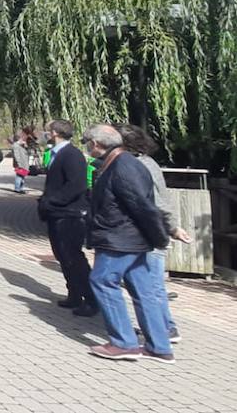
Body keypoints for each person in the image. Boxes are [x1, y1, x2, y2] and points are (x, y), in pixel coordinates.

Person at [81, 124, 173, 363]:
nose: (88, 148)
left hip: (120, 239)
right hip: (127, 238)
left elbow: (142, 206)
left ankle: (124, 343)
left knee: (101, 280)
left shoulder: (123, 167)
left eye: (88, 143)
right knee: (143, 290)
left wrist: (160, 236)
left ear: (96, 144)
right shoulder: (120, 163)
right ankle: (159, 346)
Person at [119, 124, 191, 346]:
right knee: (152, 284)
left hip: (150, 233)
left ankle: (164, 328)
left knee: (150, 285)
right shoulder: (144, 163)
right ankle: (165, 326)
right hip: (149, 232)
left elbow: (160, 202)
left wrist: (172, 227)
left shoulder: (141, 166)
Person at [37, 120, 97, 316]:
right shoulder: (57, 154)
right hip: (57, 215)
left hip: (69, 215)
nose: (45, 134)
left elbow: (76, 186)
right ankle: (74, 293)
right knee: (62, 255)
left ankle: (90, 298)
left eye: (47, 131)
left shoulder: (72, 155)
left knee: (73, 257)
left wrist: (51, 201)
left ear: (54, 133)